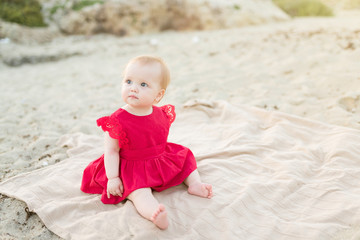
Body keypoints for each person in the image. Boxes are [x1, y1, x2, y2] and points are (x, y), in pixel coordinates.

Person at [81, 55, 213, 230]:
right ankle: (154, 213)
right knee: (138, 192)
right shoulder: (117, 120)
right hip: (131, 167)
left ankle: (195, 184)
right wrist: (113, 178)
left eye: (143, 84)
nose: (133, 88)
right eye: (128, 81)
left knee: (185, 158)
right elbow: (111, 151)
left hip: (158, 158)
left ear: (158, 95)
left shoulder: (160, 114)